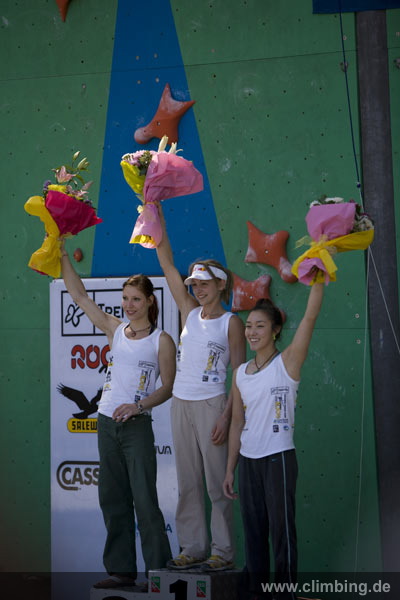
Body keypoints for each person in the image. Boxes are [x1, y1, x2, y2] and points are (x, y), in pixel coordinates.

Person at [60, 244, 175, 589]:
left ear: (150, 301)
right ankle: (121, 571)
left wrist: (139, 406)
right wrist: (63, 252)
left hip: (137, 427)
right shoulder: (115, 330)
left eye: (136, 299)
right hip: (106, 424)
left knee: (145, 501)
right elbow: (79, 296)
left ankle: (158, 574)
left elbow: (169, 387)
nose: (129, 305)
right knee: (112, 499)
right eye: (125, 298)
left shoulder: (161, 340)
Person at [155, 204, 246, 571]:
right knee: (188, 481)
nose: (198, 289)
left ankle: (222, 552)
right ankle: (192, 547)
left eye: (205, 284)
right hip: (180, 403)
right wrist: (155, 212)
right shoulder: (188, 311)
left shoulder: (231, 323)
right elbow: (166, 263)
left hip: (212, 405)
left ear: (221, 285)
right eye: (194, 284)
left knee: (216, 484)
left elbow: (240, 374)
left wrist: (227, 417)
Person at [223, 280, 325, 600]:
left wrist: (318, 282)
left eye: (260, 326)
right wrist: (230, 469)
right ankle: (256, 593)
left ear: (276, 330)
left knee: (281, 533)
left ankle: (284, 595)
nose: (252, 332)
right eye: (249, 326)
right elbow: (237, 422)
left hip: (278, 457)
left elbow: (309, 318)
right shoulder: (240, 373)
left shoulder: (288, 363)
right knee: (254, 534)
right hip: (248, 461)